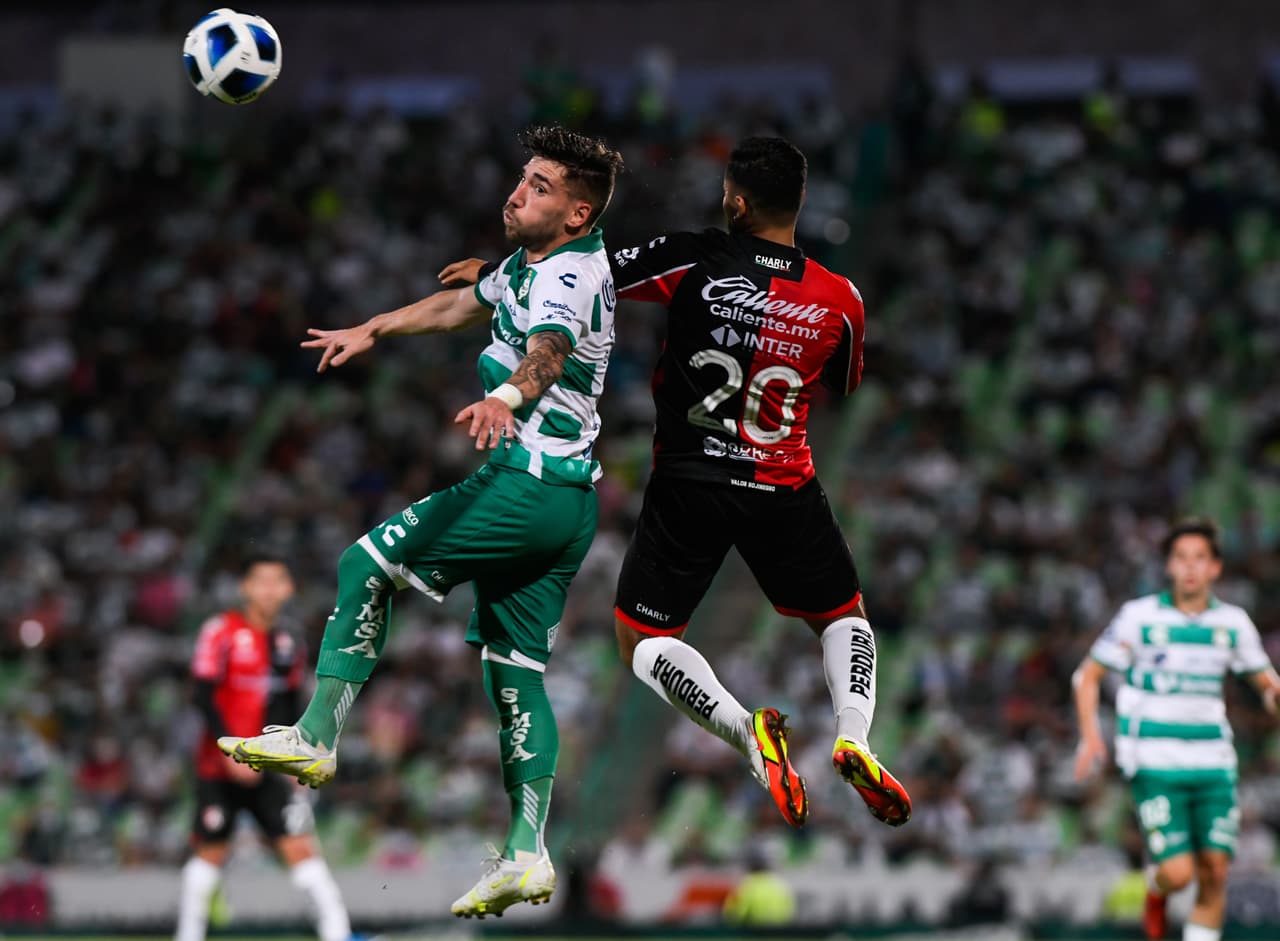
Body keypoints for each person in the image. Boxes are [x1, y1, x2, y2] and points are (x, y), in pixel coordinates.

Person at [443, 136, 912, 831]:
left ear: (737, 202)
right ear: (801, 203)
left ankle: (746, 730)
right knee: (843, 617)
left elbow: (587, 275)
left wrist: (495, 273)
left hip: (689, 481)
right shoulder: (842, 298)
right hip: (783, 482)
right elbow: (843, 382)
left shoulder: (694, 255)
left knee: (641, 641)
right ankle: (854, 737)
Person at [217, 125, 625, 920]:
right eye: (522, 177)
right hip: (568, 498)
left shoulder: (567, 277)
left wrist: (504, 396)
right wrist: (374, 326)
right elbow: (460, 304)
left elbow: (547, 352)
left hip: (525, 481)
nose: (517, 193)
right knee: (514, 672)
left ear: (578, 213)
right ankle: (526, 851)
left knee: (364, 564)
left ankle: (317, 734)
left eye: (540, 187)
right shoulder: (537, 261)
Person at [1073, 518, 1280, 941]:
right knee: (1179, 873)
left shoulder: (1233, 623)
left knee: (1215, 871)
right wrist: (1091, 736)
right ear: (1168, 566)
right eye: (1181, 557)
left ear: (1215, 568)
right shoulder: (1139, 617)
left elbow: (1266, 684)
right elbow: (1087, 676)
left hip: (1213, 760)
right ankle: (1157, 886)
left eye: (1199, 558)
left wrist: (1272, 695)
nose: (1189, 567)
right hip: (1155, 759)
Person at [177, 553, 353, 941]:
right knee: (209, 856)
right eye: (262, 582)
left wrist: (292, 762)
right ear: (245, 587)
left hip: (269, 766)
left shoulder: (290, 642)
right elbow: (203, 696)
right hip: (219, 768)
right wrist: (228, 754)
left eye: (278, 582)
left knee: (302, 853)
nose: (270, 591)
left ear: (289, 589)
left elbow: (288, 705)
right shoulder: (220, 631)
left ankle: (338, 935)